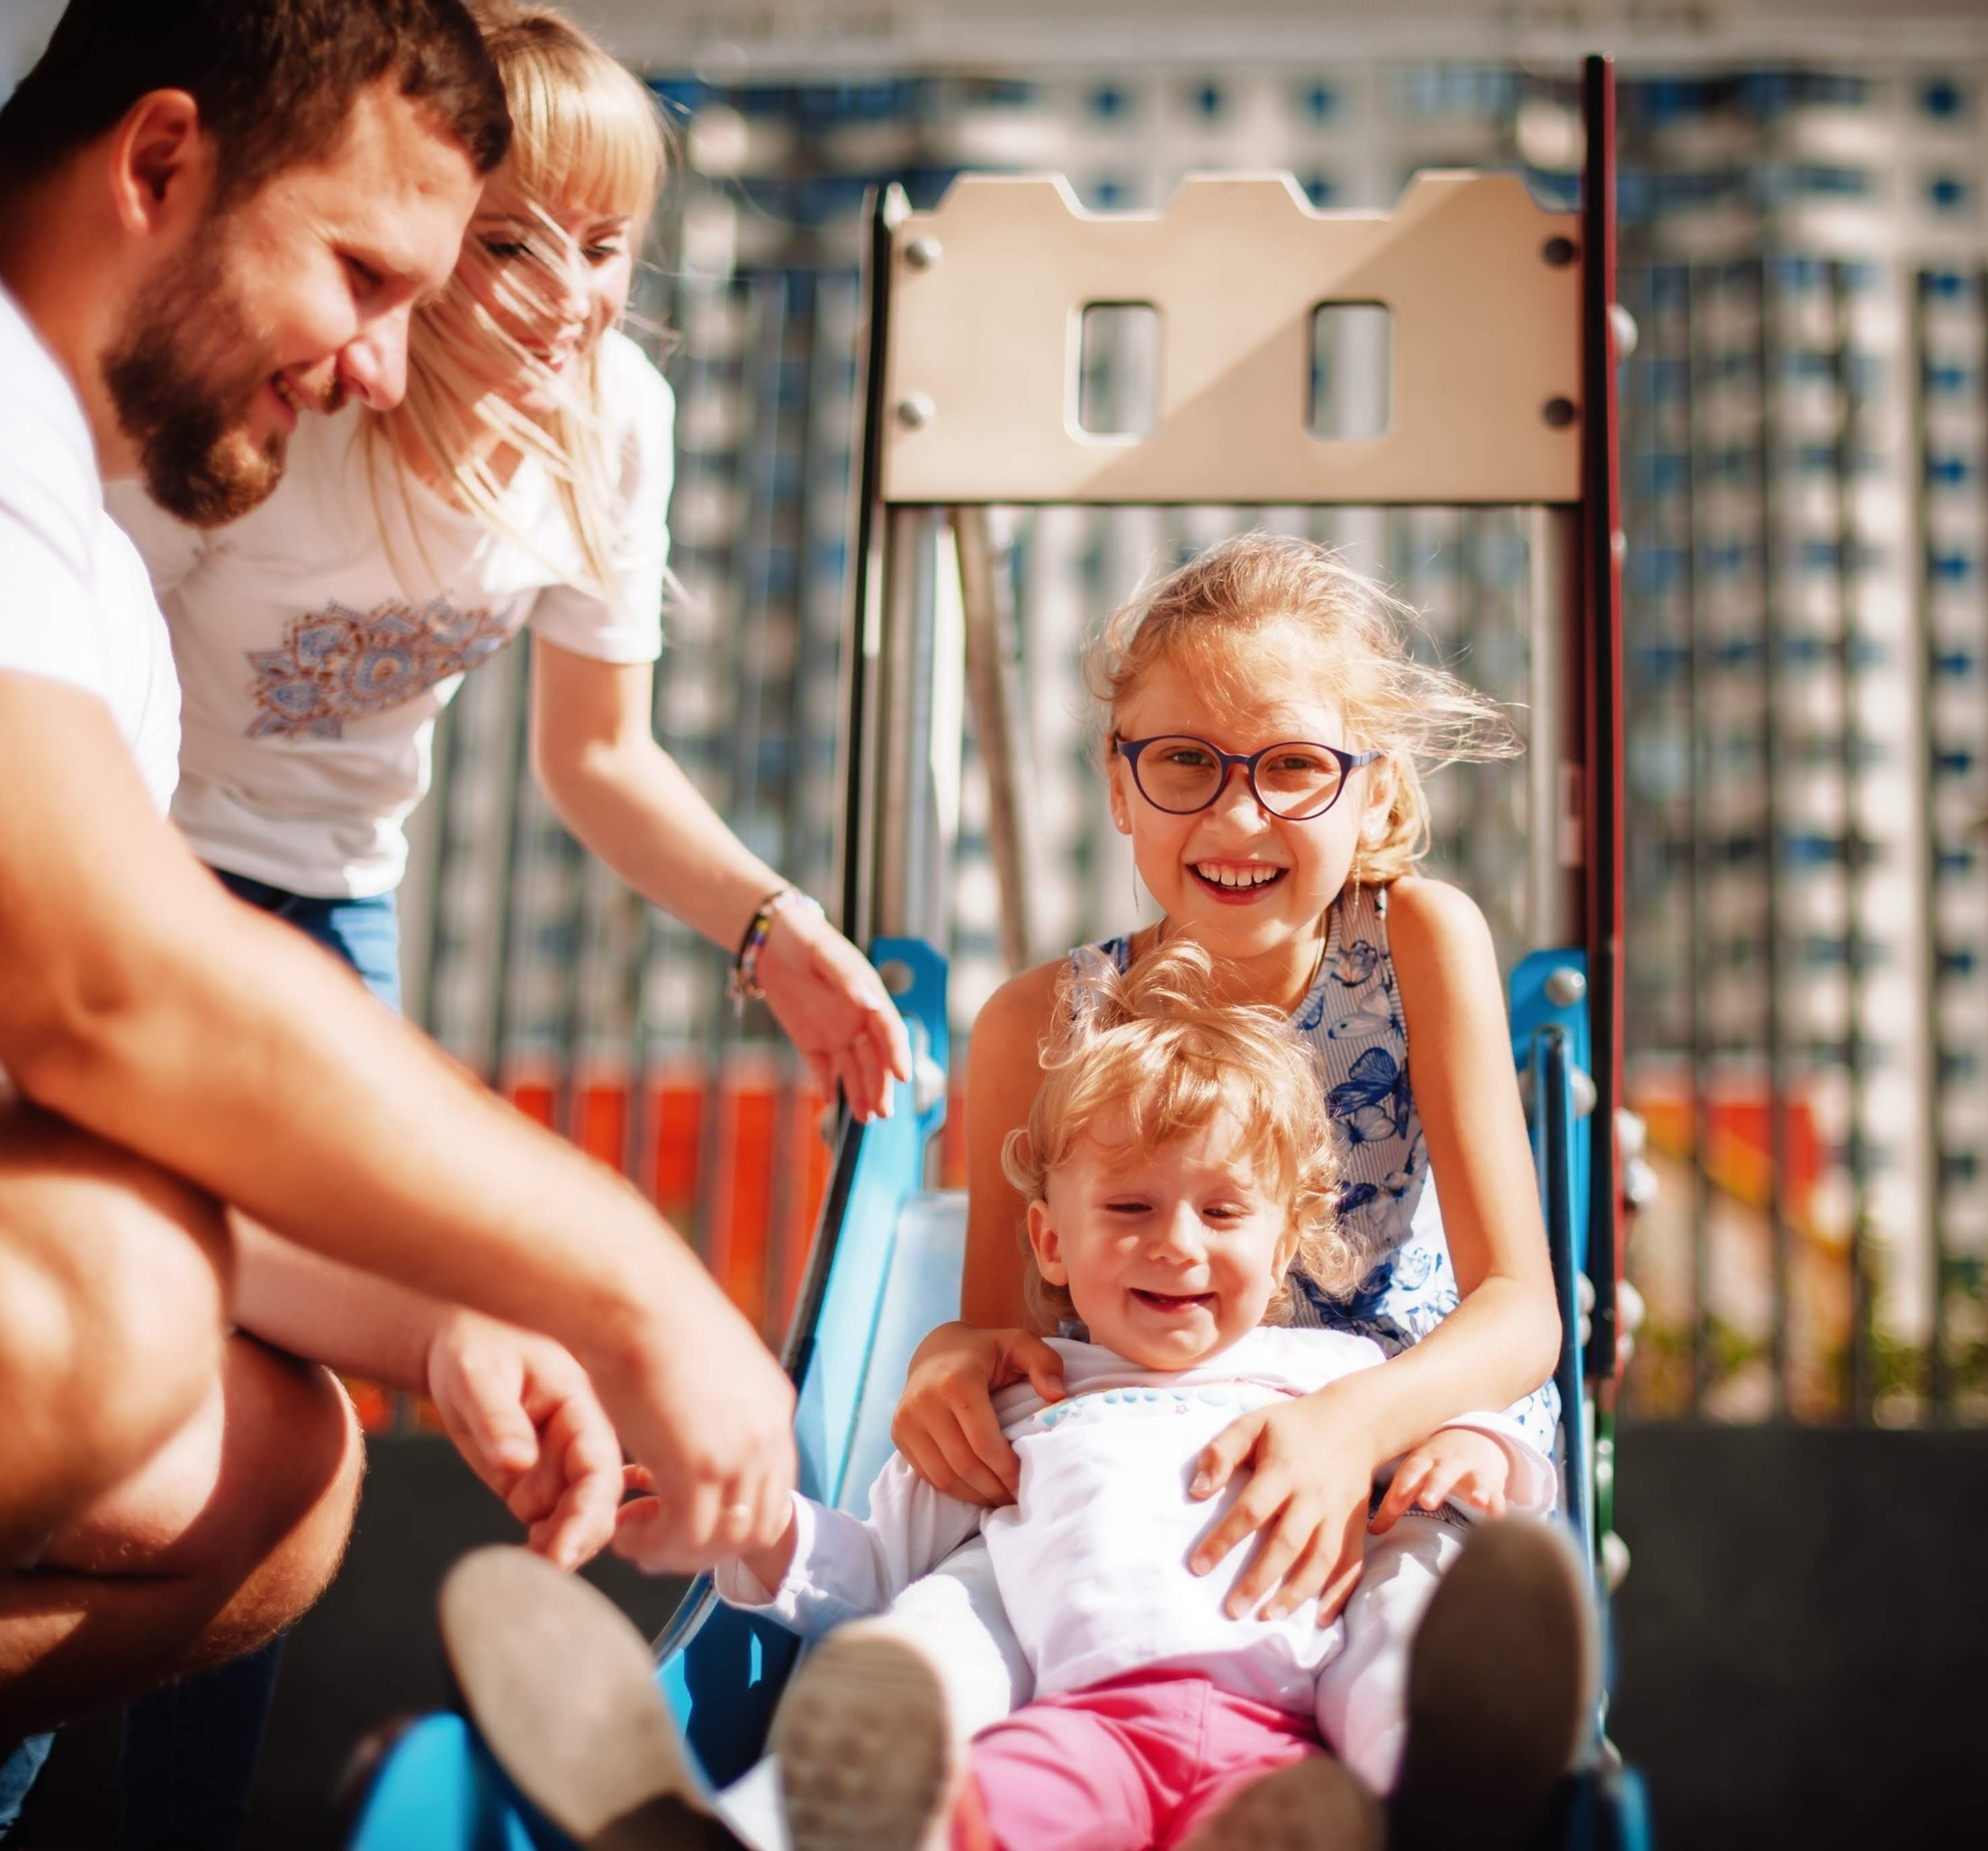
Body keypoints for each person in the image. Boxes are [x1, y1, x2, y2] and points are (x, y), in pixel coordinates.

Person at [0, 0, 795, 1811]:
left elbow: (93, 1100)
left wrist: (441, 1322)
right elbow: (102, 1001)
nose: (383, 365)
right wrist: (630, 1279)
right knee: (108, 1293)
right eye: (364, 276)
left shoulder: (105, 628)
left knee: (276, 1467)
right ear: (158, 164)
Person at [432, 943, 1592, 1851]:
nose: (1176, 1244)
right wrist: (757, 1527)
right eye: (1128, 1209)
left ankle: (1440, 1792)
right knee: (935, 1711)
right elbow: (874, 1563)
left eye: (1223, 1211)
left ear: (1284, 1240)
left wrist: (1477, 1449)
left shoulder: (1335, 1379)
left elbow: (1462, 1454)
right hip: (1078, 1732)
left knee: (1393, 1640)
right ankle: (735, 1830)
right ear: (1049, 1241)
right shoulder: (1020, 1401)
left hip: (1293, 1738)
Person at [106, 3, 912, 1116]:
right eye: (508, 245)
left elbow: (598, 754)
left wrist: (772, 927)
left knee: (359, 1191)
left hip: (342, 888)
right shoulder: (289, 401)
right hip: (141, 852)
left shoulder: (617, 418)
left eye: (602, 247)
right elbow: (73, 664)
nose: (570, 297)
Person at [879, 533, 1566, 1759]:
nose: (1238, 814)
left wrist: (1352, 1425)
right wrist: (950, 1358)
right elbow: (1011, 1346)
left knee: (1429, 1567)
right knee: (983, 1587)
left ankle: (1428, 1770)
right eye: (1185, 761)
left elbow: (1520, 1311)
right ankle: (888, 1768)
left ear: (1374, 790)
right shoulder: (1036, 1023)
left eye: (1295, 765)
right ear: (1118, 781)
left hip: (1400, 1426)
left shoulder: (1416, 941)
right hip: (1155, 1447)